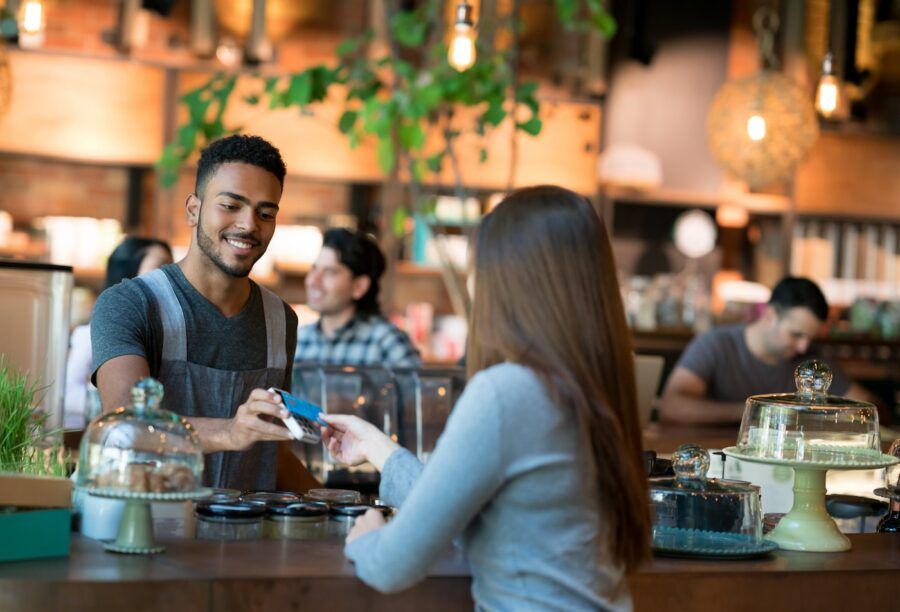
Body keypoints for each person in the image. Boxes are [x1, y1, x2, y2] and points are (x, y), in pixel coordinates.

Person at [319, 186, 650, 609]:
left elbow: (391, 565)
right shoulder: (595, 385)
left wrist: (365, 539)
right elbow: (471, 511)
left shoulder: (508, 391)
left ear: (504, 281)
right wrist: (378, 448)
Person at [91, 135, 298, 490]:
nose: (249, 225)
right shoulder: (129, 304)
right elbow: (125, 427)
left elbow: (270, 449)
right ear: (193, 210)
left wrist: (345, 505)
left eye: (265, 213)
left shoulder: (281, 320)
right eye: (231, 205)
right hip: (147, 531)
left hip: (247, 539)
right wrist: (231, 431)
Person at [660, 276, 875, 425]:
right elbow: (671, 406)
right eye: (796, 334)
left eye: (809, 338)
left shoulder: (811, 361)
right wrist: (757, 411)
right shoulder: (715, 344)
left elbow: (871, 409)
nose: (803, 347)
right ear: (770, 315)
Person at [64, 236, 173, 428]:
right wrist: (117, 404)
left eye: (172, 267)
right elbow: (68, 395)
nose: (168, 276)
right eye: (160, 266)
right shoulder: (91, 333)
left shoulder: (170, 331)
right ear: (129, 272)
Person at [294, 228, 421, 368]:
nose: (312, 281)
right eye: (314, 269)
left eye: (329, 272)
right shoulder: (300, 339)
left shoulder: (387, 343)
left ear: (359, 286)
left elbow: (419, 389)